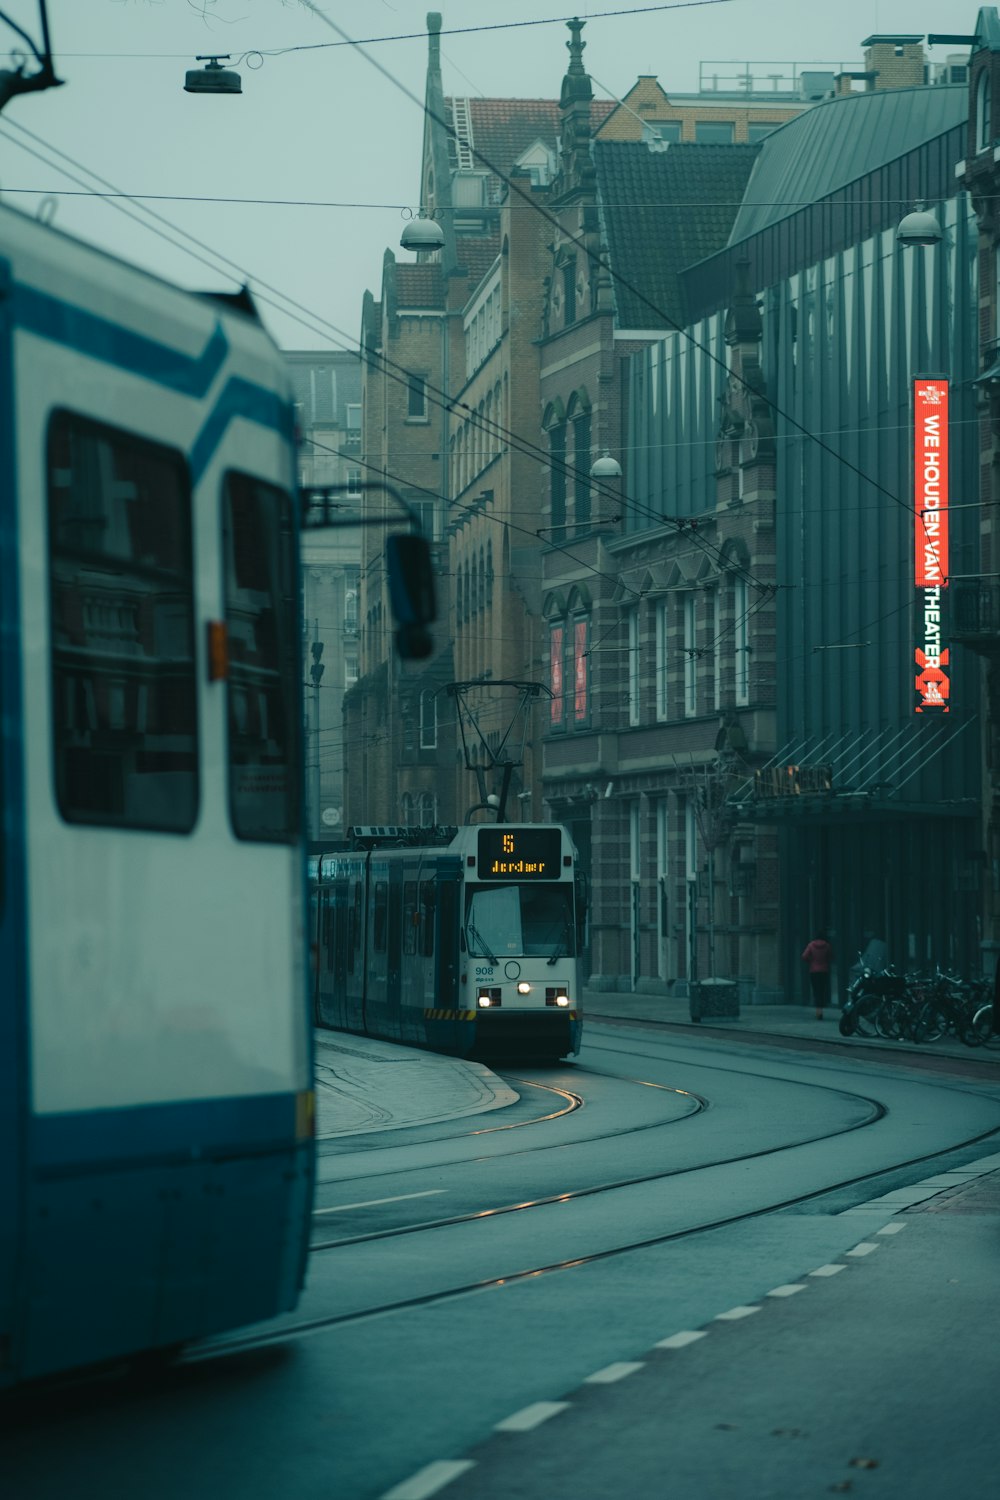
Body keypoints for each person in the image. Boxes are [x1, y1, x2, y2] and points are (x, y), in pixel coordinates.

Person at [802, 930, 834, 1020]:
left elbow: (804, 956)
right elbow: (831, 956)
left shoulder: (811, 945)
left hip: (814, 971)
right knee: (822, 991)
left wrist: (811, 961)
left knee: (816, 991)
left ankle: (818, 1012)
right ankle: (820, 1010)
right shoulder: (827, 946)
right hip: (824, 971)